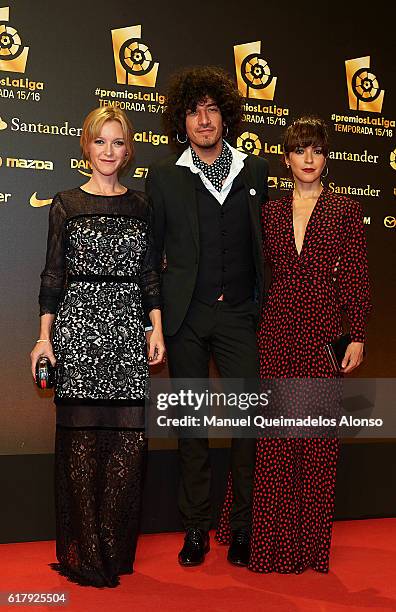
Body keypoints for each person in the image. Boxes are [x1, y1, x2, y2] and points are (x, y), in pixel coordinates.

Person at [216, 116, 371, 573]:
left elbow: (358, 278)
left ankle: (308, 545)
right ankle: (269, 540)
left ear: (326, 158)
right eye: (300, 150)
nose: (309, 158)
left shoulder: (345, 209)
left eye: (317, 150)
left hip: (323, 328)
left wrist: (357, 333)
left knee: (316, 437)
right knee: (275, 437)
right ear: (286, 158)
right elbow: (250, 268)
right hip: (277, 328)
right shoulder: (270, 211)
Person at [30, 107, 164, 587]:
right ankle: (86, 555)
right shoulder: (65, 203)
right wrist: (44, 339)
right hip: (78, 331)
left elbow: (150, 274)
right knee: (81, 448)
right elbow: (53, 276)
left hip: (128, 331)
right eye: (100, 142)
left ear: (129, 151)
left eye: (118, 143)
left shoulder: (142, 206)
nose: (109, 151)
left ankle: (110, 546)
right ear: (86, 146)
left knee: (128, 445)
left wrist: (156, 326)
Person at [146, 66, 269, 567]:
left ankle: (240, 527)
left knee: (247, 425)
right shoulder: (164, 175)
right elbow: (151, 255)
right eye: (194, 110)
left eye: (212, 108)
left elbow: (268, 242)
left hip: (240, 314)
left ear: (226, 115)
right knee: (190, 425)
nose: (203, 119)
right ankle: (196, 528)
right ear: (182, 119)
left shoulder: (254, 170)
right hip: (186, 318)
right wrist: (154, 321)